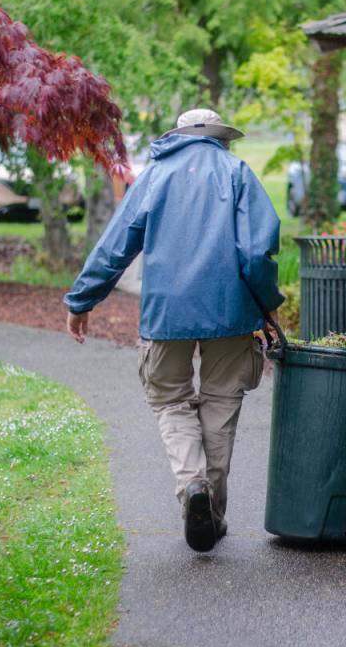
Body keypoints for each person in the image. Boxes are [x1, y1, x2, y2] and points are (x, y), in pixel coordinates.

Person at [63, 109, 284, 553]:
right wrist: (267, 307)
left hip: (167, 316)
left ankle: (192, 487)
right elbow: (258, 253)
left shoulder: (155, 175)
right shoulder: (237, 171)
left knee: (169, 400)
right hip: (230, 313)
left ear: (179, 136)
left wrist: (82, 300)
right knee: (221, 406)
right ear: (220, 137)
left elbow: (116, 244)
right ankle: (212, 515)